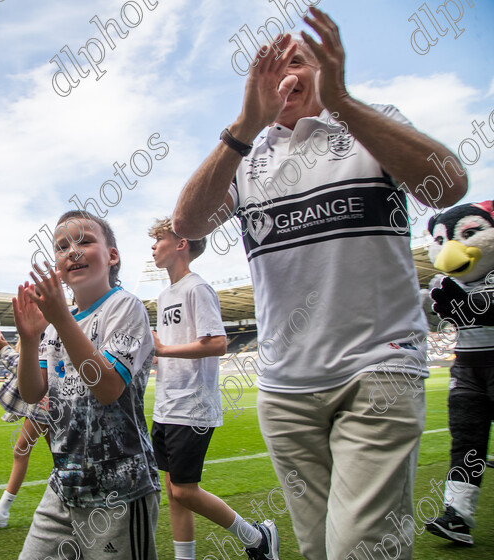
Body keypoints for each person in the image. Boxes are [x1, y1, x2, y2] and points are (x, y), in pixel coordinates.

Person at [171, 8, 467, 559]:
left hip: (376, 370)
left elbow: (448, 186)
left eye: (298, 61)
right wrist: (243, 126)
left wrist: (346, 103)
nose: (286, 74)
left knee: (361, 550)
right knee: (316, 549)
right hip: (286, 393)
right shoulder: (246, 155)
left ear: (324, 70)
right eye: (271, 68)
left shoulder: (369, 125)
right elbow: (186, 225)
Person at [14, 211, 160, 559]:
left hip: (120, 492)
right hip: (64, 487)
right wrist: (30, 339)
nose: (72, 251)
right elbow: (33, 393)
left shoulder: (126, 307)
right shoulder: (53, 326)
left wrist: (61, 318)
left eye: (85, 241)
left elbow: (107, 387)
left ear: (112, 256)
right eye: (62, 246)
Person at [149, 217, 278, 560]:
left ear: (181, 244)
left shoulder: (197, 288)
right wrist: (155, 355)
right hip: (165, 405)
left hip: (192, 406)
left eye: (159, 239)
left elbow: (217, 343)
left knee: (185, 490)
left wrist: (163, 350)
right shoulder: (164, 296)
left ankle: (256, 537)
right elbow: (175, 349)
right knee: (174, 491)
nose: (153, 246)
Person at [0, 331, 51, 528]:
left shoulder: (47, 333)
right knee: (60, 456)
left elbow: (27, 369)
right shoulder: (44, 332)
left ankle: (2, 510)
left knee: (22, 450)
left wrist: (4, 349)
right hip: (46, 402)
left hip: (45, 403)